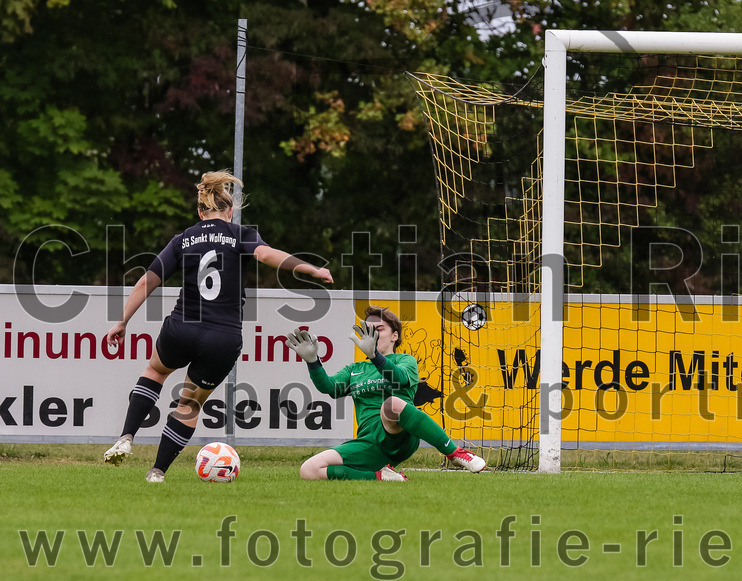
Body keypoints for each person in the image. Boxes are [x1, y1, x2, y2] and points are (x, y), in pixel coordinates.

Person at [103, 170, 333, 482]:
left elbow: (147, 281)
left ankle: (126, 436)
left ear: (200, 212)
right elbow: (267, 255)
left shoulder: (183, 239)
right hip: (222, 338)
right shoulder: (241, 235)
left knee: (156, 372)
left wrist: (122, 321)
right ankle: (157, 471)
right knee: (189, 404)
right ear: (231, 211)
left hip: (182, 327)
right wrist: (312, 269)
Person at [286, 305, 486, 481]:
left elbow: (398, 378)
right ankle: (381, 476)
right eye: (368, 330)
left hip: (400, 435)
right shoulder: (355, 369)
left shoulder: (405, 361)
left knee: (391, 404)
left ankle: (455, 452)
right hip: (369, 442)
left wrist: (375, 356)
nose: (372, 334)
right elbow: (329, 388)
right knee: (309, 470)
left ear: (394, 336)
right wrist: (313, 362)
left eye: (379, 329)